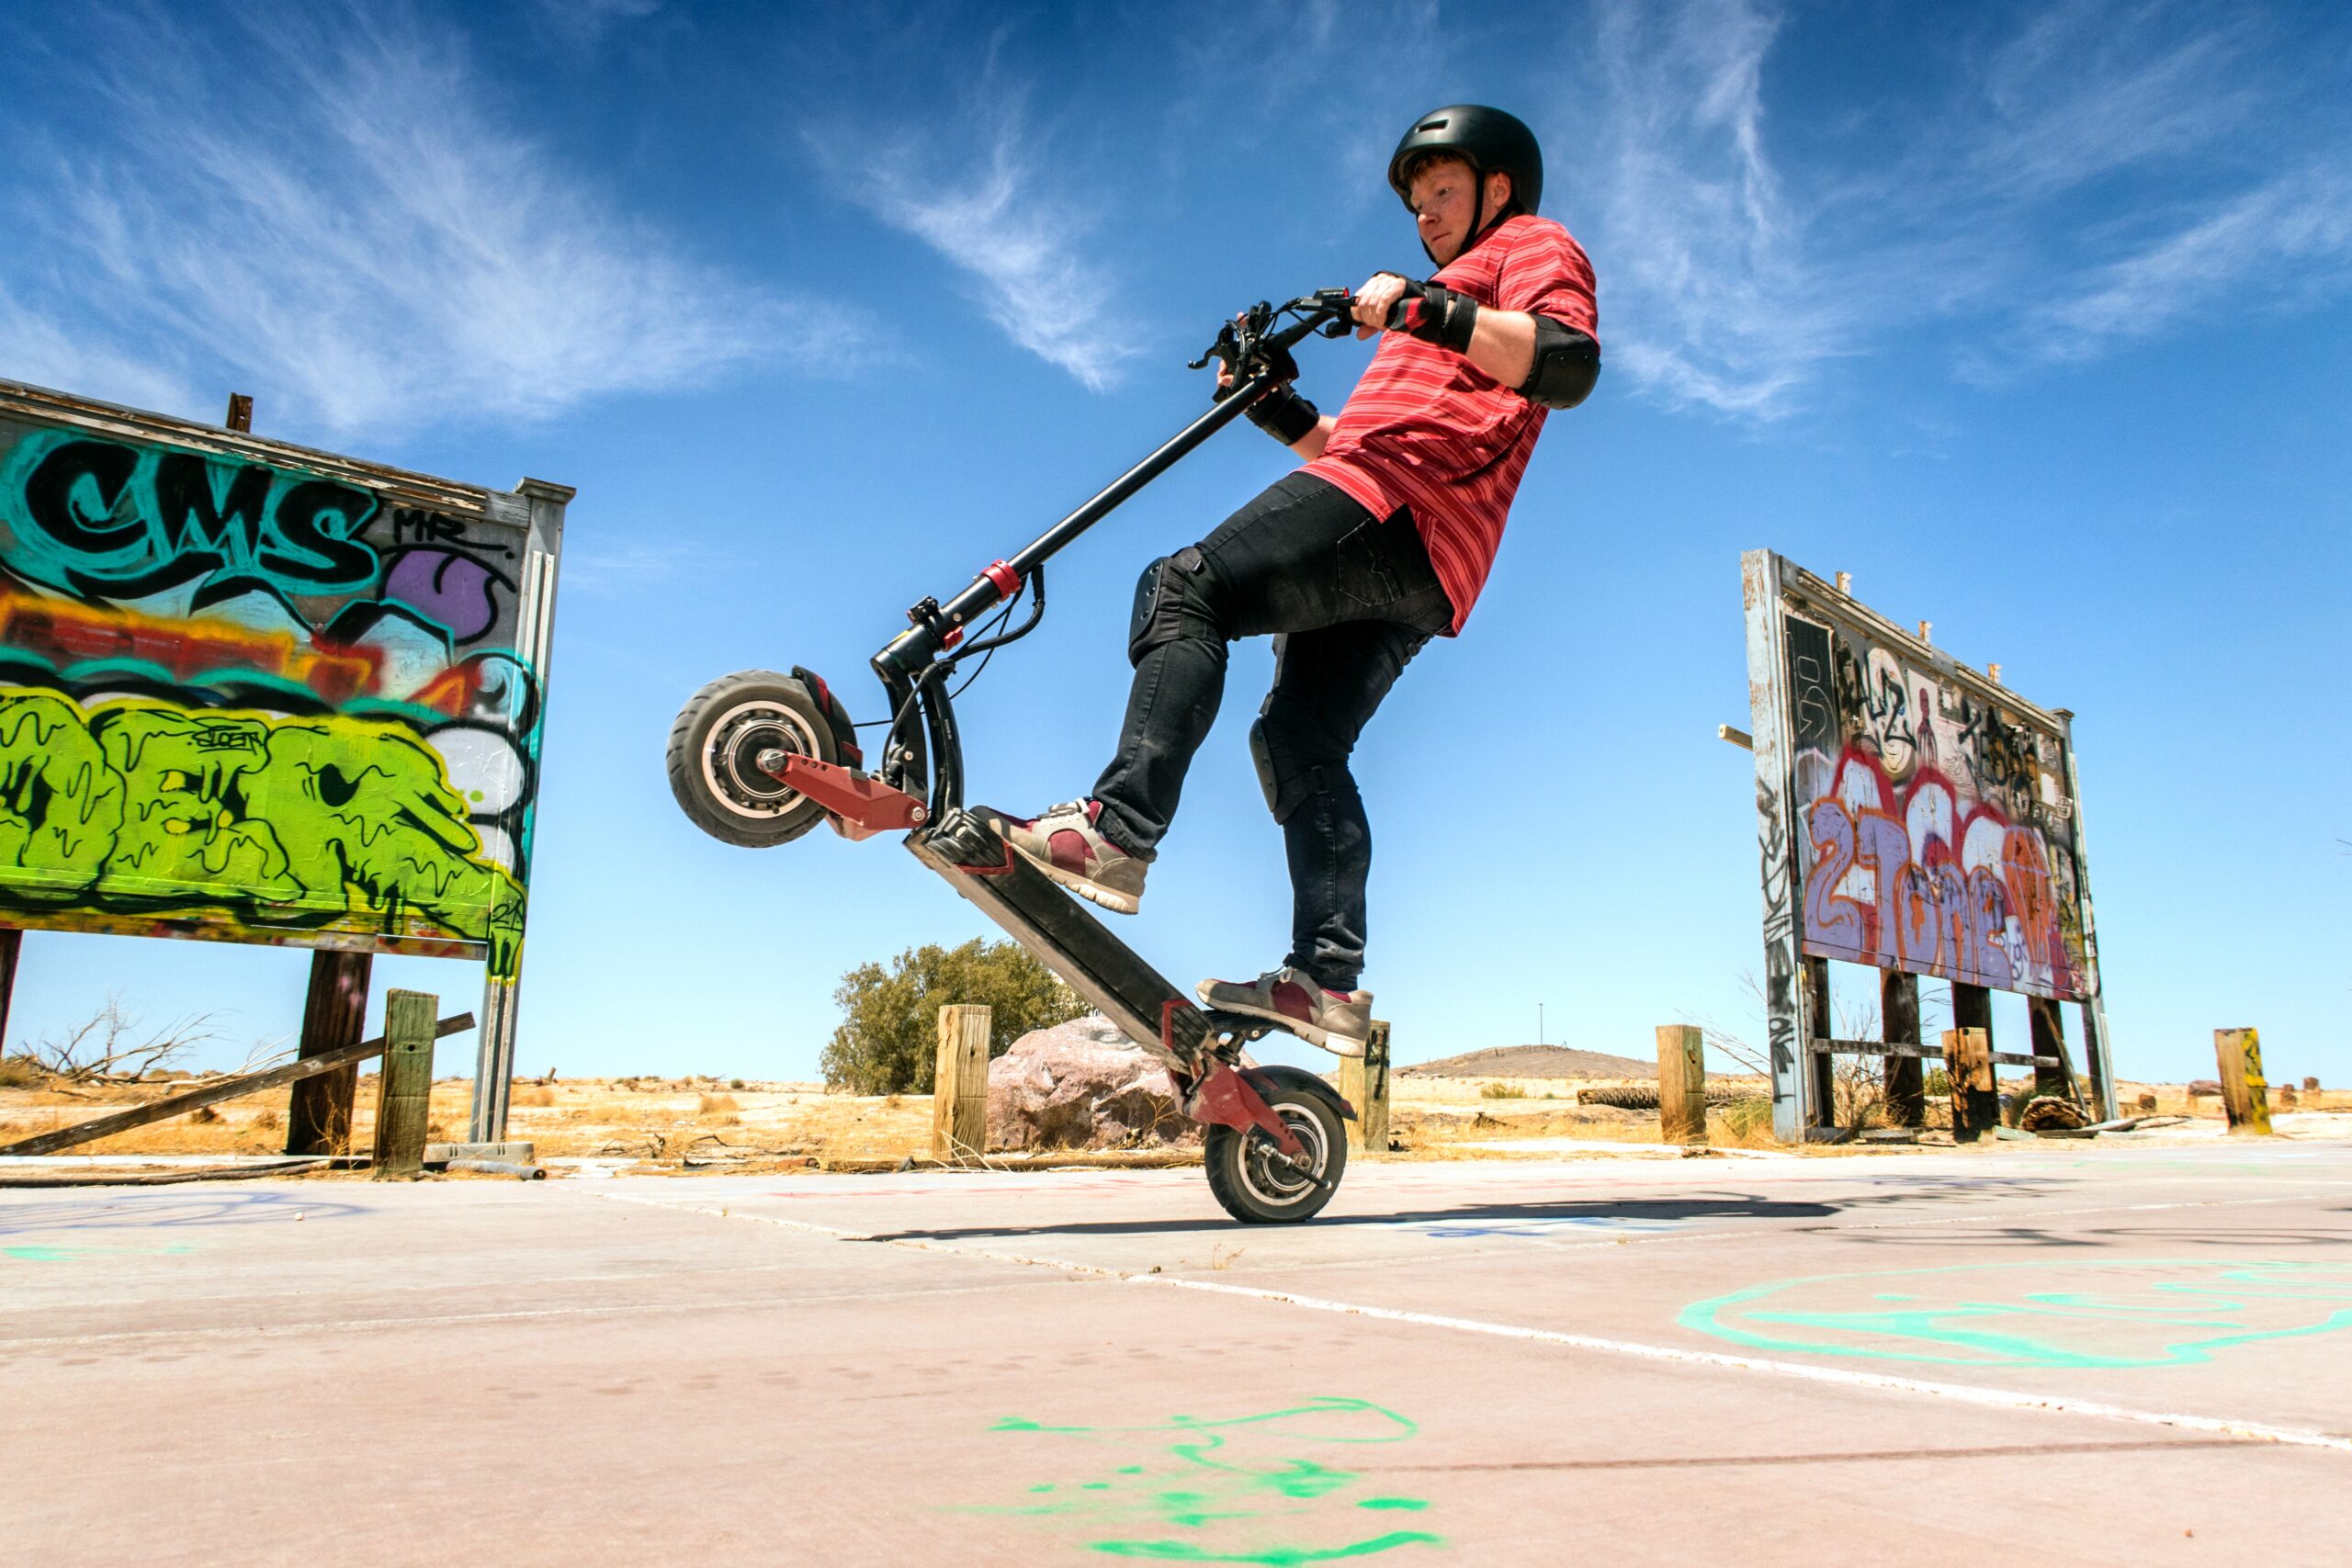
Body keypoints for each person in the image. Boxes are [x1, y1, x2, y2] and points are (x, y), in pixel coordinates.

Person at [982, 105, 1599, 1056]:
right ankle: (1325, 980)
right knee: (1299, 740)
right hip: (1415, 550)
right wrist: (1275, 408)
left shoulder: (1529, 245)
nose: (1426, 214)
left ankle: (1117, 831)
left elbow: (1566, 362)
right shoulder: (1433, 311)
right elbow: (1353, 443)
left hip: (1399, 506)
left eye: (1443, 191)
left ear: (1500, 187)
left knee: (1186, 586)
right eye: (1416, 202)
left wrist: (1428, 308)